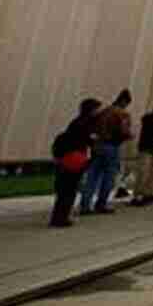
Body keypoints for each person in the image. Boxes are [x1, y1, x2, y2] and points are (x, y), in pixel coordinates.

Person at [81, 89, 133, 215]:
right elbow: (123, 131)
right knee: (108, 177)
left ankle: (85, 205)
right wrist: (129, 135)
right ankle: (101, 204)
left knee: (92, 177)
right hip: (111, 146)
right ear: (125, 102)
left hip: (97, 146)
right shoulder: (122, 114)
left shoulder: (103, 111)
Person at [50, 98, 101, 227]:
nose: (98, 112)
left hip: (68, 158)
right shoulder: (85, 124)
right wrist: (93, 140)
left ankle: (59, 217)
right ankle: (61, 218)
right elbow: (86, 140)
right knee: (69, 189)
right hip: (74, 159)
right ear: (91, 110)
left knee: (64, 190)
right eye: (96, 109)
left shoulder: (77, 122)